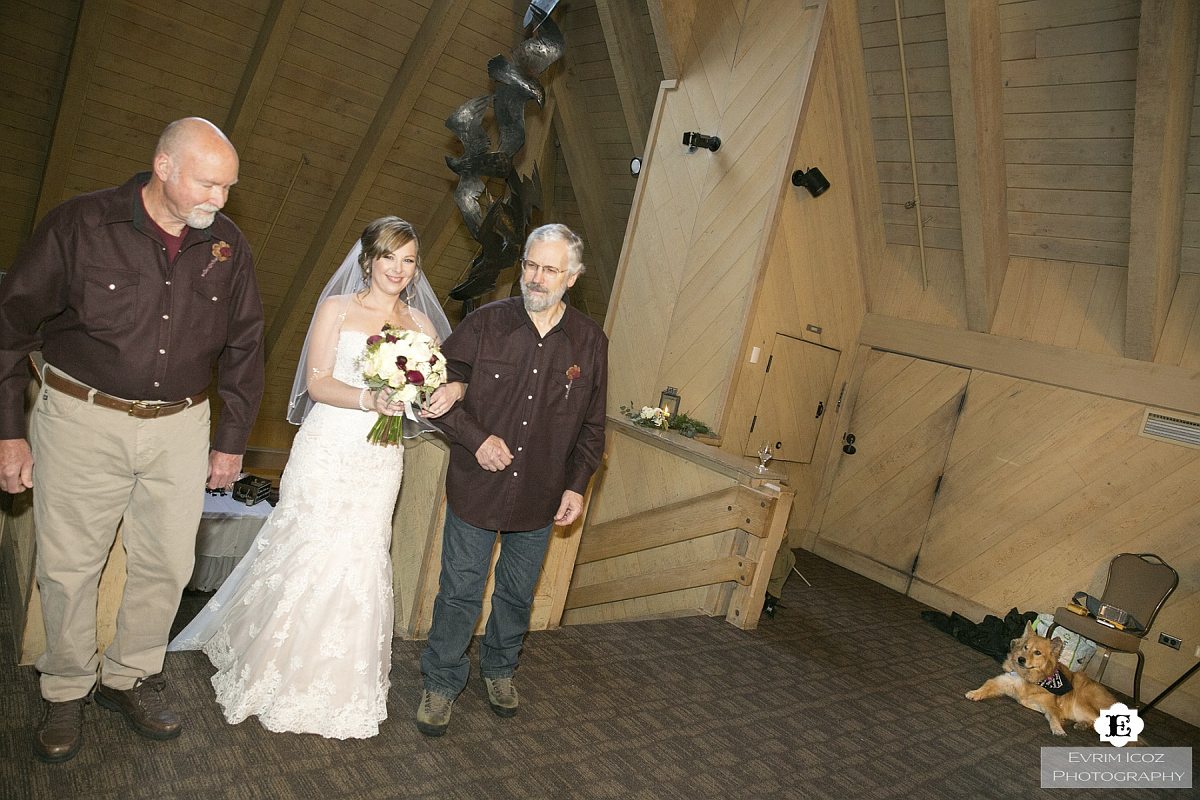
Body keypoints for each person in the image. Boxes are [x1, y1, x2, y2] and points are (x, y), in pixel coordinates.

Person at [0, 118, 265, 763]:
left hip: (181, 427)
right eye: (209, 184)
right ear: (164, 166)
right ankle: (65, 690)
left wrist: (230, 439)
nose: (219, 201)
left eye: (228, 189)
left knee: (168, 565)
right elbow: (9, 327)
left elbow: (245, 346)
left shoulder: (226, 244)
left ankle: (129, 676)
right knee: (70, 566)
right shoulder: (80, 225)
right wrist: (9, 434)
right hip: (82, 419)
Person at [168, 216, 458, 739]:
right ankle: (271, 662)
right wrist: (369, 397)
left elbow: (434, 388)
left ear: (416, 269)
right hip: (329, 446)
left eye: (408, 259)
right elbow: (317, 383)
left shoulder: (422, 328)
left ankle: (340, 678)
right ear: (368, 260)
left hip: (379, 458)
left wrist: (443, 393)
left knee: (361, 553)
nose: (397, 268)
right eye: (389, 256)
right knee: (308, 543)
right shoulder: (337, 308)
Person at [416, 223, 607, 737]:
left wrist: (577, 484)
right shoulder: (484, 324)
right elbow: (430, 391)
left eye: (549, 269)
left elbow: (592, 425)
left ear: (572, 276)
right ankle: (441, 681)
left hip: (542, 494)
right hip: (477, 486)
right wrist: (476, 437)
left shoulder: (590, 342)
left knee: (518, 595)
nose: (536, 278)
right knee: (460, 591)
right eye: (530, 265)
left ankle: (499, 670)